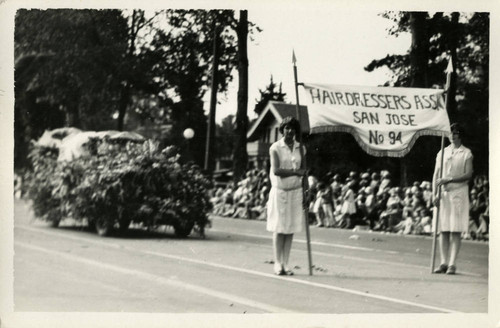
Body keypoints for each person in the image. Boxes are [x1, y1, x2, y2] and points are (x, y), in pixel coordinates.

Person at [266, 116, 307, 276]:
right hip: (280, 191)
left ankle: (286, 263)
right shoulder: (275, 147)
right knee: (279, 227)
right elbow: (277, 171)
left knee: (290, 228)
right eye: (286, 128)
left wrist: (306, 191)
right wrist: (295, 172)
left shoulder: (301, 148)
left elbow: (304, 172)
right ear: (282, 130)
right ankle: (277, 262)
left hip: (295, 191)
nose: (289, 131)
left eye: (292, 128)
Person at [432, 123, 473, 275]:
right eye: (450, 133)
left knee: (455, 229)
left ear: (460, 134)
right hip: (443, 194)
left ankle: (452, 263)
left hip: (458, 193)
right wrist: (434, 193)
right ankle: (443, 262)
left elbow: (468, 174)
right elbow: (436, 175)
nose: (452, 135)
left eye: (455, 133)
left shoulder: (466, 153)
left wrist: (449, 179)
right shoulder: (442, 152)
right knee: (443, 229)